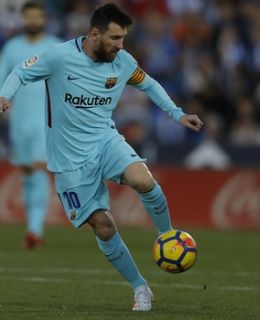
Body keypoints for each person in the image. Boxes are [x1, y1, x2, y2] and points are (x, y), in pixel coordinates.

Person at [0, 3, 203, 312]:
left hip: (106, 141)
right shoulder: (58, 57)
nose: (121, 45)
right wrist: (5, 95)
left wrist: (177, 114)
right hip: (69, 161)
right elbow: (20, 72)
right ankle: (140, 288)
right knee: (104, 227)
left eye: (123, 39)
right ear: (94, 34)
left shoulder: (122, 62)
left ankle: (168, 236)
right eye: (115, 38)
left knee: (143, 180)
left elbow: (147, 83)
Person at [0, 1, 61, 249]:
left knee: (38, 169)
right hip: (19, 122)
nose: (34, 21)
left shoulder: (55, 46)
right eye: (30, 17)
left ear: (44, 19)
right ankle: (33, 226)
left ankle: (35, 229)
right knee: (27, 173)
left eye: (38, 17)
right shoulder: (12, 47)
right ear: (23, 19)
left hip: (46, 120)